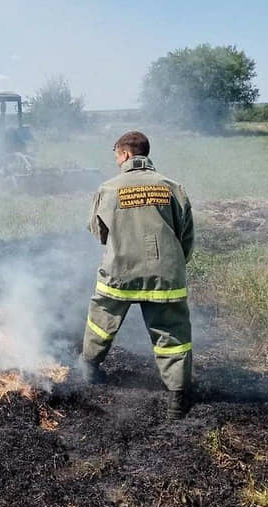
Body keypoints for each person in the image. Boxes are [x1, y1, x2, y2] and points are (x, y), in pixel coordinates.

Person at [80, 131, 194, 420]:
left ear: (126, 155)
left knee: (101, 322)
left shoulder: (108, 189)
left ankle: (88, 369)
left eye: (116, 155)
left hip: (120, 273)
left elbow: (98, 233)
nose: (116, 161)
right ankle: (177, 400)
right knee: (173, 334)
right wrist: (172, 265)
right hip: (165, 276)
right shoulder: (172, 187)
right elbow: (186, 234)